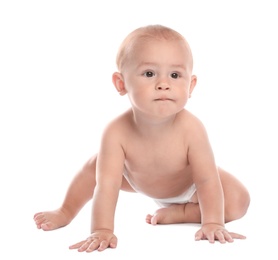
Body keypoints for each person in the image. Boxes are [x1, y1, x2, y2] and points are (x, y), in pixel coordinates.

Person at [34, 24, 250, 252]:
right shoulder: (116, 131)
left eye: (175, 75)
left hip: (191, 185)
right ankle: (66, 210)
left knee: (238, 200)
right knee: (96, 167)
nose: (163, 84)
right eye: (149, 74)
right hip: (139, 180)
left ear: (191, 86)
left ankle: (183, 213)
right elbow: (107, 186)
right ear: (121, 83)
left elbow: (207, 180)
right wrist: (102, 229)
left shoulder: (192, 128)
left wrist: (213, 223)